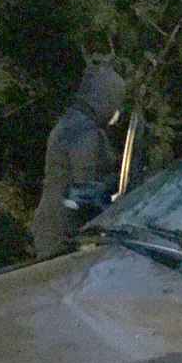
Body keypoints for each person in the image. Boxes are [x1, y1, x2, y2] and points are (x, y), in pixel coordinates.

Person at [28, 55, 126, 258]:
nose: (117, 112)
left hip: (52, 228)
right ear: (104, 99)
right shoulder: (86, 133)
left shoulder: (71, 123)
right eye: (115, 103)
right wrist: (117, 201)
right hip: (65, 236)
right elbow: (86, 190)